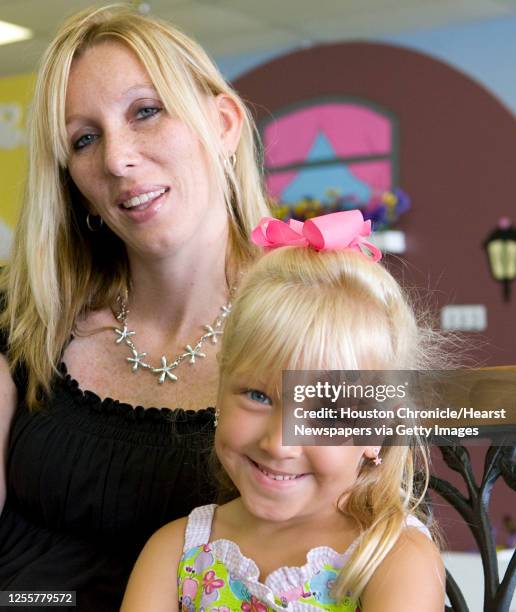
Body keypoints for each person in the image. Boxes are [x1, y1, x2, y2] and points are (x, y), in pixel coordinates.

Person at [0, 3, 268, 610]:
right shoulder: (21, 320)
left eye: (146, 112)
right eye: (84, 139)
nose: (117, 159)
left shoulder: (327, 321)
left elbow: (376, 538)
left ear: (223, 123)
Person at [121, 211, 446, 611]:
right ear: (220, 391)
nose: (279, 443)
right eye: (258, 397)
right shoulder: (175, 552)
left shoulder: (393, 558)